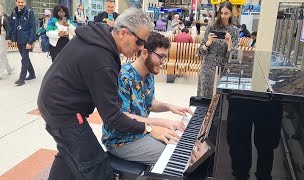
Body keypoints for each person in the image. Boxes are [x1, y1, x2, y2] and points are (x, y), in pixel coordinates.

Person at [37, 7, 167, 179]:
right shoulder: (102, 61)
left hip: (51, 101)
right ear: (123, 33)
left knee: (67, 154)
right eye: (139, 42)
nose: (142, 47)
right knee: (97, 167)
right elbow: (112, 117)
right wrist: (148, 128)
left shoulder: (101, 35)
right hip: (63, 110)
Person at [102, 32, 193, 165]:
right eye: (160, 57)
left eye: (165, 58)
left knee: (183, 145)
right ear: (144, 53)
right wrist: (159, 122)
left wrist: (169, 107)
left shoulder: (148, 73)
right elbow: (124, 116)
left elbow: (150, 102)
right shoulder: (124, 76)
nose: (162, 63)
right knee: (176, 159)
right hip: (121, 140)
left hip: (142, 131)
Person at [197, 1, 238, 98]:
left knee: (221, 99)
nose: (223, 16)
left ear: (231, 14)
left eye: (226, 13)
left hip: (224, 69)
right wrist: (208, 42)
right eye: (221, 13)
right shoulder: (211, 26)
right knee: (205, 98)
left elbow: (233, 56)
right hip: (208, 67)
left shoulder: (234, 30)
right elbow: (200, 52)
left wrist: (229, 43)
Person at [6, 0, 36, 86]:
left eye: (22, 2)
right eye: (19, 2)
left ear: (25, 2)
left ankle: (22, 78)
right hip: (18, 39)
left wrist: (30, 42)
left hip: (26, 40)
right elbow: (11, 25)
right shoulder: (14, 12)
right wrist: (8, 37)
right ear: (16, 2)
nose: (20, 4)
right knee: (25, 57)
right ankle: (32, 74)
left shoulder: (29, 13)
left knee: (24, 59)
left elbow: (32, 28)